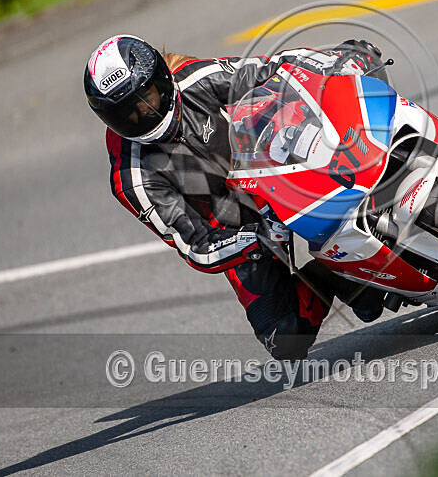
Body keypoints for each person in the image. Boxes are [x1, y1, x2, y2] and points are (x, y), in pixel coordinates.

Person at [83, 35, 388, 360]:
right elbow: (197, 247)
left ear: (160, 78)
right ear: (110, 120)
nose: (144, 113)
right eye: (129, 114)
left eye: (148, 96)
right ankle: (329, 275)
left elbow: (272, 70)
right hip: (237, 227)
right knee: (285, 339)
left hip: (273, 165)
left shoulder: (193, 80)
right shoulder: (131, 177)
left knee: (368, 284)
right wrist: (257, 237)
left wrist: (335, 60)